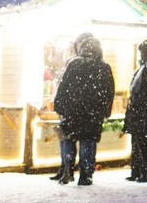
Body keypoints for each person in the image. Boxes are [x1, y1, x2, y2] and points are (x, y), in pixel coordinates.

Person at [53, 33, 116, 186]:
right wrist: (105, 110)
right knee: (88, 142)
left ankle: (68, 166)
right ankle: (86, 174)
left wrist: (59, 104)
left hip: (73, 111)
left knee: (69, 139)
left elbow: (64, 86)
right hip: (93, 113)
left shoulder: (74, 64)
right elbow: (109, 91)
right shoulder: (104, 67)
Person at [49, 32, 93, 182]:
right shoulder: (74, 61)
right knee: (68, 140)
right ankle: (66, 169)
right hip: (75, 108)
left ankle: (70, 170)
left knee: (71, 140)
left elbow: (66, 85)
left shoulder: (79, 63)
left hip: (77, 109)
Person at [124, 39, 147, 182]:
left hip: (143, 111)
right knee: (140, 141)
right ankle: (140, 170)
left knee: (144, 141)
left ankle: (145, 172)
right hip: (142, 110)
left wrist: (143, 106)